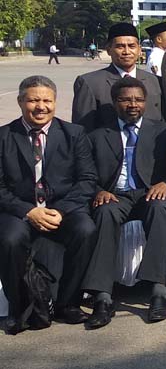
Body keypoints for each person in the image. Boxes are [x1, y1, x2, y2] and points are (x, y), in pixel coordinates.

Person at [0, 76, 98, 333]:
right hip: (20, 209)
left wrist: (61, 210)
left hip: (61, 208)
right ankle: (18, 309)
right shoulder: (3, 136)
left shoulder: (74, 134)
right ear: (21, 102)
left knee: (85, 230)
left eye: (47, 100)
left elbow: (87, 180)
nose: (40, 106)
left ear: (55, 102)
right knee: (10, 240)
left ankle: (68, 303)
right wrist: (29, 211)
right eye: (33, 100)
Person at [82, 77, 166, 329]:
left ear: (146, 103)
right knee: (104, 213)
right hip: (115, 195)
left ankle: (157, 292)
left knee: (160, 209)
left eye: (138, 99)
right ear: (115, 103)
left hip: (149, 193)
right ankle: (102, 297)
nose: (132, 104)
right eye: (126, 99)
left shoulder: (165, 132)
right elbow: (83, 173)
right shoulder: (96, 135)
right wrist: (98, 190)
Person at [73, 22, 164, 130]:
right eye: (120, 46)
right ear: (109, 49)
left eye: (131, 46)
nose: (126, 52)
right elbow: (82, 129)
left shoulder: (155, 82)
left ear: (139, 50)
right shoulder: (90, 83)